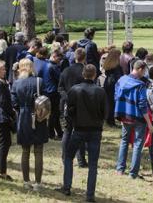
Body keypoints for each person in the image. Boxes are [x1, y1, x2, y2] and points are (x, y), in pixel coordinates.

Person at [57, 65, 106, 202]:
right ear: (94, 74)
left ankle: (67, 186)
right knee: (93, 164)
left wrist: (72, 122)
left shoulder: (75, 90)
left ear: (83, 74)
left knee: (68, 157)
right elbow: (105, 113)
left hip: (79, 129)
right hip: (94, 130)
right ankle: (89, 195)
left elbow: (69, 111)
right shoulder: (100, 92)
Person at [11, 59, 49, 191]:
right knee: (38, 151)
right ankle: (38, 183)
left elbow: (13, 103)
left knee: (25, 151)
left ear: (21, 68)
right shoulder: (39, 81)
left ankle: (26, 181)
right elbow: (45, 100)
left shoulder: (16, 83)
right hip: (39, 117)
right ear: (32, 67)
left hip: (24, 117)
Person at [114, 60, 153, 178]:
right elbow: (142, 105)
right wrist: (149, 123)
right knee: (137, 144)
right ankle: (133, 173)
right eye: (144, 71)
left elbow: (116, 95)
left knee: (124, 141)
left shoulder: (121, 80)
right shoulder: (140, 85)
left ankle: (120, 169)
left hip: (125, 115)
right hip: (138, 117)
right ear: (140, 69)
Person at [58, 48, 87, 167]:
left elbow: (60, 88)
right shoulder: (85, 71)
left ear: (75, 57)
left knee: (67, 131)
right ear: (84, 58)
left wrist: (67, 98)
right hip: (81, 105)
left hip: (66, 104)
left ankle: (65, 158)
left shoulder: (66, 70)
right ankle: (81, 160)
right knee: (80, 133)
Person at [43, 50, 63, 140]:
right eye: (59, 59)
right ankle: (53, 133)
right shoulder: (53, 67)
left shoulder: (46, 64)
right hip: (53, 92)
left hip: (47, 91)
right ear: (54, 57)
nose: (60, 61)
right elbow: (60, 79)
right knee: (54, 114)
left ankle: (54, 132)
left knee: (52, 114)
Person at [102, 48, 123, 127]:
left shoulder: (108, 64)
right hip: (113, 84)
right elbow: (118, 77)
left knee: (108, 103)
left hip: (107, 83)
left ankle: (108, 119)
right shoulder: (116, 66)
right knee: (112, 104)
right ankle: (111, 121)